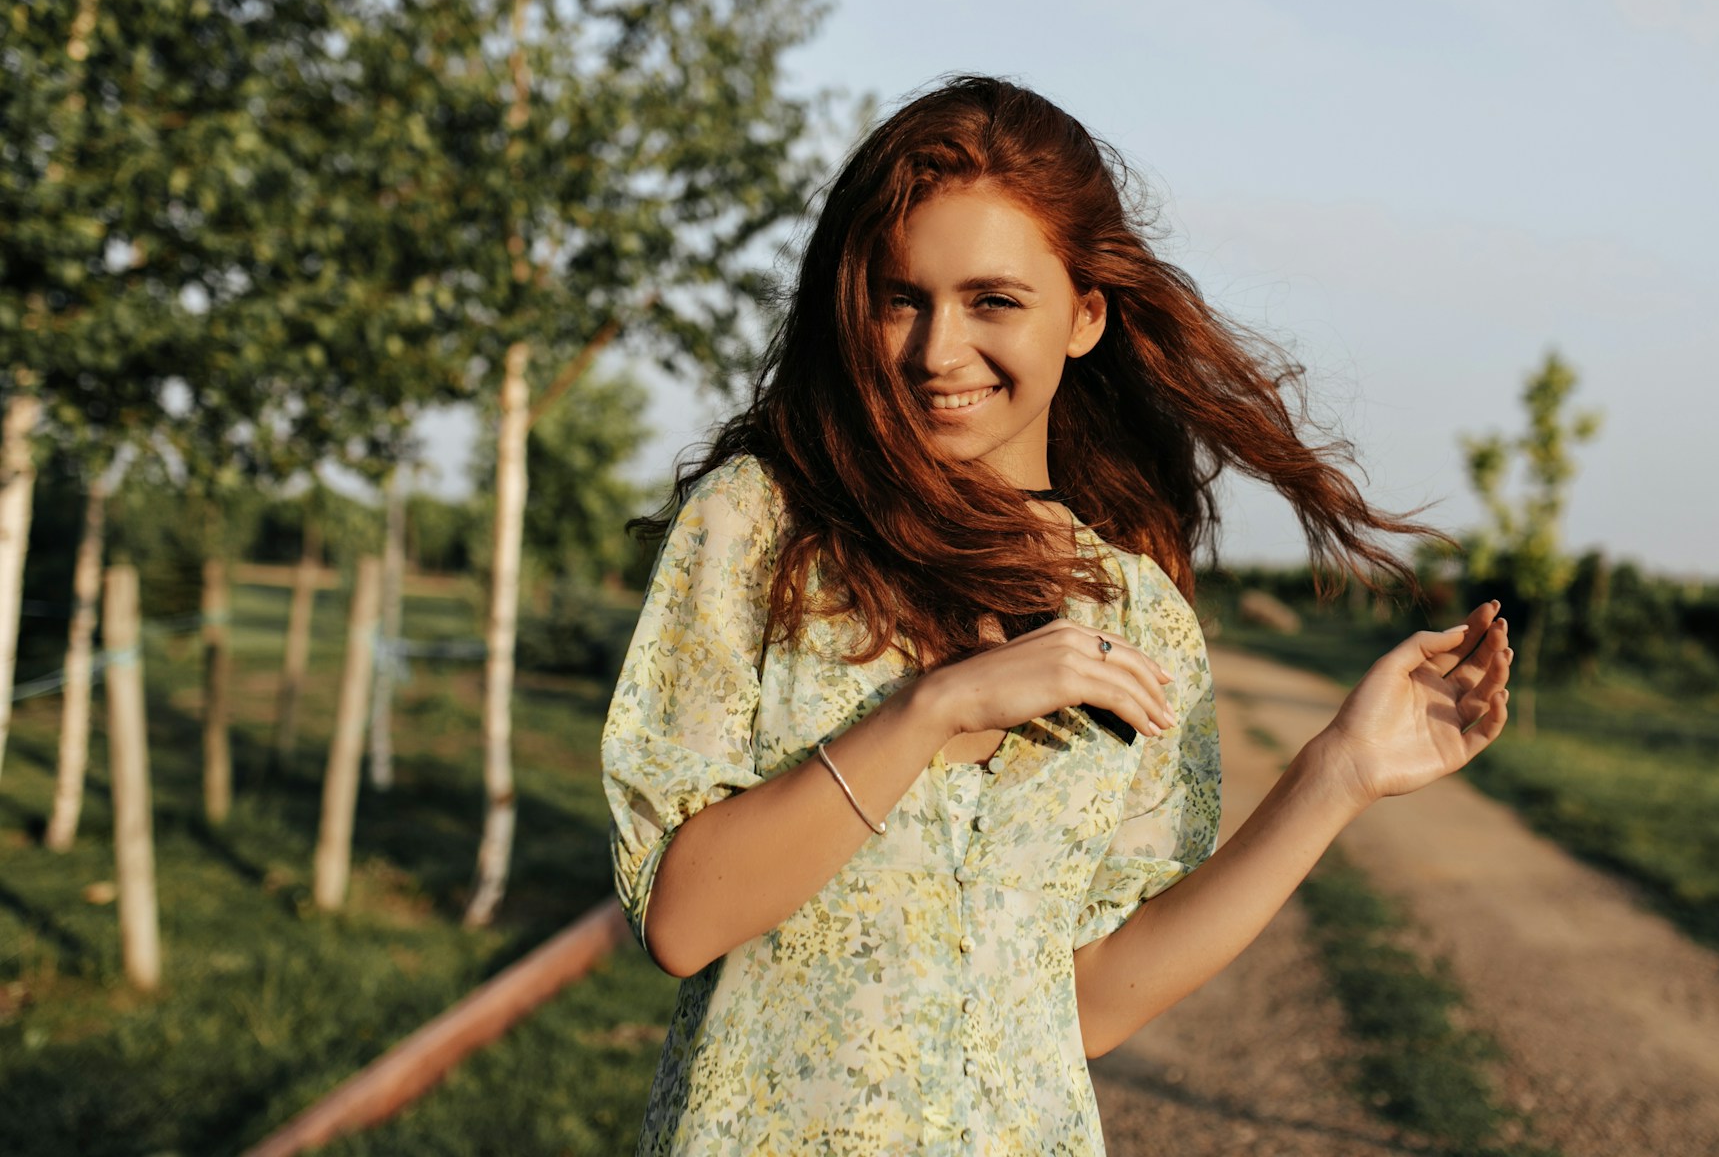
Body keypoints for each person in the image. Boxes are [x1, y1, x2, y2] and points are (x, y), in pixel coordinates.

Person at [601, 75, 1512, 1156]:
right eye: (903, 297)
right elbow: (682, 918)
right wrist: (935, 707)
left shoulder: (1138, 615)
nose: (937, 351)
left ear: (1084, 315)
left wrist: (1336, 775)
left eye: (992, 301)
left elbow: (1084, 1004)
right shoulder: (761, 526)